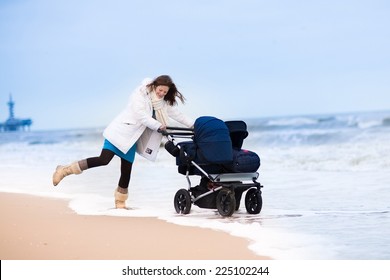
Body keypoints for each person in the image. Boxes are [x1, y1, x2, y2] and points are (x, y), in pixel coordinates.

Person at [52, 75, 194, 209]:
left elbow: (177, 115)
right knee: (104, 159)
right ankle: (65, 170)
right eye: (160, 90)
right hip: (120, 132)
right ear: (154, 85)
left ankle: (120, 202)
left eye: (165, 92)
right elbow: (141, 116)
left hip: (132, 139)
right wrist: (158, 126)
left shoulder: (162, 104)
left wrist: (195, 125)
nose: (162, 93)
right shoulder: (140, 95)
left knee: (126, 170)